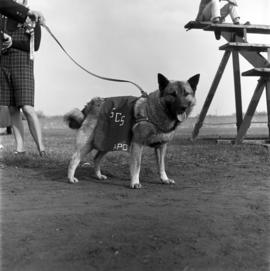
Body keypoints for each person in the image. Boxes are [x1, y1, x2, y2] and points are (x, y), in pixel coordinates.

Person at [0, 0, 46, 155]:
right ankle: (20, 150)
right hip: (4, 62)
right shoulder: (3, 17)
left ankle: (41, 149)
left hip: (23, 63)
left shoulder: (32, 18)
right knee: (12, 108)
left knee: (27, 107)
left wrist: (12, 43)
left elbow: (35, 46)